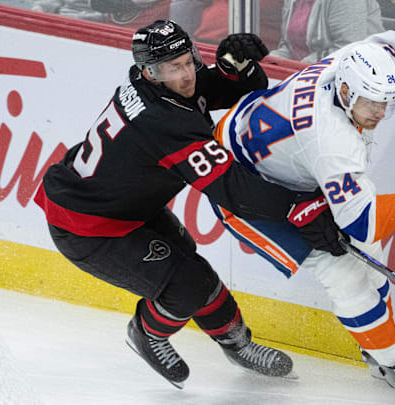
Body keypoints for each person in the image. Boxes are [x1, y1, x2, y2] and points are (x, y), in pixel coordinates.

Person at [211, 25, 395, 402]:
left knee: (369, 255)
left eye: (387, 102)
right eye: (372, 103)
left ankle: (377, 348)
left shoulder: (356, 63)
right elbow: (360, 223)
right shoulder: (332, 143)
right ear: (346, 92)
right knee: (343, 269)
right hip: (241, 186)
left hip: (286, 159)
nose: (381, 113)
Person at [33, 20, 330, 389]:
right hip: (87, 227)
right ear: (150, 72)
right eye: (175, 68)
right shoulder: (162, 121)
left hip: (117, 205)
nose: (188, 74)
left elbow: (230, 89)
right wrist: (298, 206)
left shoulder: (159, 85)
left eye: (189, 60)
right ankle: (146, 332)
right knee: (185, 285)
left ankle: (238, 344)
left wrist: (235, 69)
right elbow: (232, 189)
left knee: (190, 263)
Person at [270, 0, 384, 63]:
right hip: (305, 75)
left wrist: (299, 68)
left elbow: (348, 50)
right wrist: (268, 61)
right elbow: (290, 46)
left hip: (359, 82)